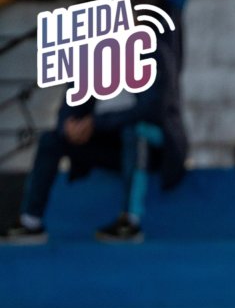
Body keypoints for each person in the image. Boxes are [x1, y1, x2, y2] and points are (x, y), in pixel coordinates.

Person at [2, 46, 185, 244]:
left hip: (152, 145)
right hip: (105, 142)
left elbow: (151, 110)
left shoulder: (153, 54)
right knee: (51, 139)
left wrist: (96, 122)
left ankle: (130, 220)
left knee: (135, 131)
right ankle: (31, 221)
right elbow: (69, 108)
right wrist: (70, 127)